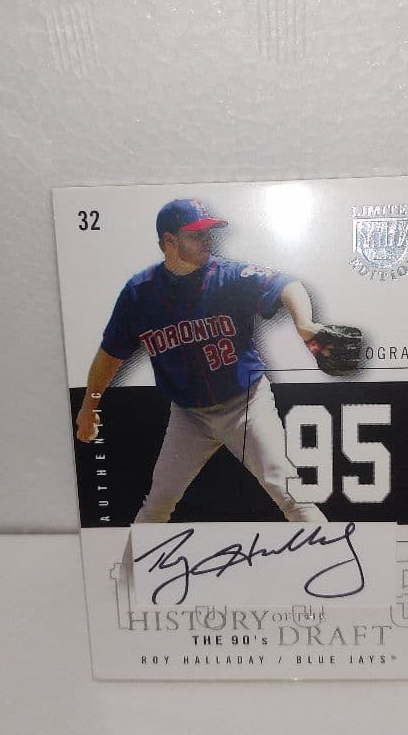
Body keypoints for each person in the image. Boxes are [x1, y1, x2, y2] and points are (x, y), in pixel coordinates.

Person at [76, 198, 327, 524]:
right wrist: (89, 405)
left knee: (291, 495)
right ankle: (130, 562)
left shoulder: (229, 277)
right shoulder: (139, 294)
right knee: (157, 505)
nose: (208, 240)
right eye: (196, 235)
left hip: (246, 405)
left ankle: (336, 556)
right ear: (169, 242)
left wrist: (304, 323)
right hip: (189, 416)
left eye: (209, 232)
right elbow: (109, 356)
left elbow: (287, 286)